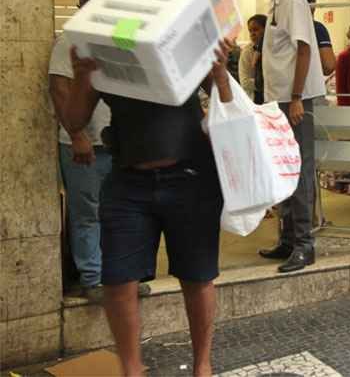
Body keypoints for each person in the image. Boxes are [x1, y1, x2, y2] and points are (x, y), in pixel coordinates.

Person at [64, 29, 235, 375]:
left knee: (198, 276)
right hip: (128, 182)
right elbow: (73, 120)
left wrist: (219, 72)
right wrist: (82, 76)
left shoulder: (182, 40)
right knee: (118, 280)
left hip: (190, 177)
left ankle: (202, 366)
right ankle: (131, 370)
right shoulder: (106, 50)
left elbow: (229, 106)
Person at [252, 0, 325, 272]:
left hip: (294, 100)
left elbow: (304, 49)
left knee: (300, 170)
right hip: (277, 101)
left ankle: (305, 245)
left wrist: (296, 97)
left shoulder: (293, 0)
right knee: (283, 169)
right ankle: (288, 239)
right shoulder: (275, 3)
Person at [49, 0, 112, 300]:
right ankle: (92, 278)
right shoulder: (69, 41)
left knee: (115, 213)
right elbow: (59, 88)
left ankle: (115, 278)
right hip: (82, 145)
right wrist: (77, 135)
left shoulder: (114, 39)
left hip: (114, 144)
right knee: (86, 213)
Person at [295, 0, 336, 76]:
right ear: (313, 4)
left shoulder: (285, 27)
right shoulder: (317, 29)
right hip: (310, 82)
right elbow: (328, 66)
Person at [239, 14, 267, 101]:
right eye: (250, 31)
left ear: (266, 30)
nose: (252, 34)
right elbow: (245, 82)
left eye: (256, 30)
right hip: (255, 98)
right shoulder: (247, 52)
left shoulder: (274, 49)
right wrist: (265, 82)